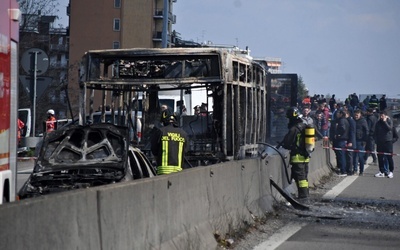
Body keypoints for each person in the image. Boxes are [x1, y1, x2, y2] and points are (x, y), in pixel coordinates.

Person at [281, 107, 310, 200]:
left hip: (297, 157)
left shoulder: (294, 128)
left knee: (301, 179)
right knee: (304, 178)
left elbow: (287, 143)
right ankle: (305, 195)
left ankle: (303, 197)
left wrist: (285, 145)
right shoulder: (304, 125)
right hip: (305, 157)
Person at [151, 110, 188, 175]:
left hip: (163, 173)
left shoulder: (160, 131)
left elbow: (154, 150)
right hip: (179, 173)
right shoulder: (183, 134)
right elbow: (186, 150)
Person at [374, 110, 394, 178]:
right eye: (380, 116)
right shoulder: (378, 123)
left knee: (389, 157)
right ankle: (381, 171)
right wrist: (376, 140)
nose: (381, 117)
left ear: (386, 116)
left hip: (387, 141)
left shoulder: (389, 121)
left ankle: (391, 171)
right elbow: (375, 131)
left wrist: (385, 122)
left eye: (382, 116)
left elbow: (389, 128)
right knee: (380, 157)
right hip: (380, 142)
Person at [330, 109, 349, 176]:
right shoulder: (345, 120)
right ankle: (342, 169)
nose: (337, 115)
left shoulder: (342, 120)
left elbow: (342, 129)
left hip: (341, 140)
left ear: (341, 114)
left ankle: (343, 171)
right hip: (343, 140)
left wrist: (338, 134)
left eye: (338, 113)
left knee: (341, 156)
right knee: (341, 155)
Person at [352, 110, 369, 175]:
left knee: (361, 157)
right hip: (354, 140)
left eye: (357, 115)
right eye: (355, 115)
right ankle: (355, 169)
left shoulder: (363, 121)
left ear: (360, 115)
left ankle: (361, 171)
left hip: (360, 141)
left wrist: (364, 140)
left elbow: (366, 131)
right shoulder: (353, 120)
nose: (356, 116)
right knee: (354, 156)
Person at [344, 110, 356, 175]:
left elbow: (352, 132)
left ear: (348, 114)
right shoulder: (348, 120)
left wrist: (350, 141)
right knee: (348, 156)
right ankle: (348, 169)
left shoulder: (351, 121)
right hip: (348, 140)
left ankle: (350, 170)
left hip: (350, 141)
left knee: (349, 156)